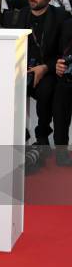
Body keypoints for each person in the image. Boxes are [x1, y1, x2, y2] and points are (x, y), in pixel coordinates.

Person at [13, 0, 70, 149]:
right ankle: (17, 138)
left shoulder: (61, 17)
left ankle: (42, 136)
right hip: (20, 69)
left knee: (48, 88)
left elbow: (64, 52)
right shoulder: (19, 16)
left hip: (48, 70)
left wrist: (45, 67)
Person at [53, 18, 72, 166]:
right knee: (62, 92)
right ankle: (61, 152)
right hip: (66, 77)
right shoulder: (66, 24)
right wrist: (56, 64)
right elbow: (55, 51)